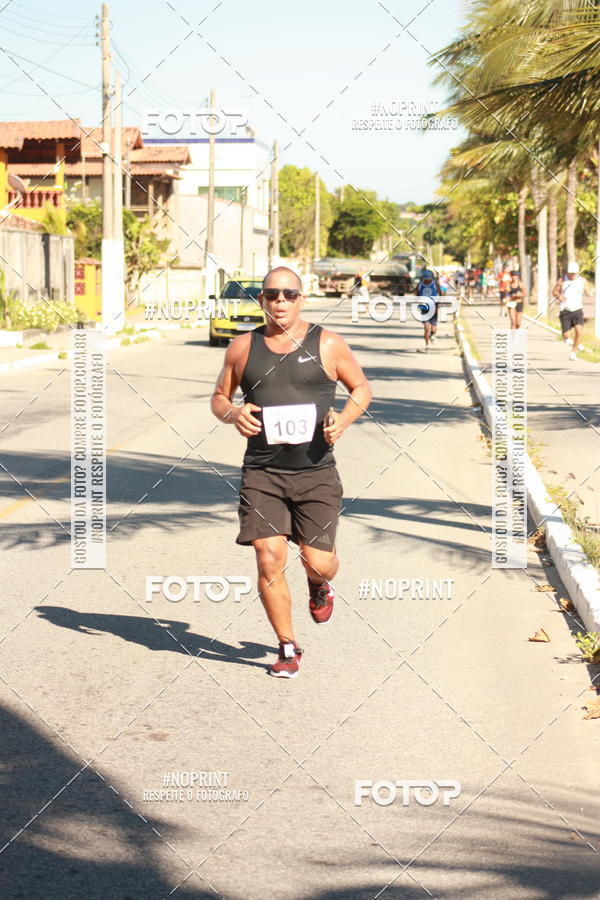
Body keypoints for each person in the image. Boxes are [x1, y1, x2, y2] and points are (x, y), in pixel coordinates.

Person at [210, 266, 372, 678]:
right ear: (262, 301)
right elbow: (219, 396)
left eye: (288, 294)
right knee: (269, 558)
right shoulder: (243, 348)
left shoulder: (329, 344)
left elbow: (362, 389)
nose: (279, 302)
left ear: (302, 299)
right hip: (263, 472)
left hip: (316, 473)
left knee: (318, 563)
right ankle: (287, 646)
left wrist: (344, 419)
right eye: (271, 295)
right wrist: (233, 412)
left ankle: (319, 585)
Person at [553, 261, 587, 360]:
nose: (572, 275)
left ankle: (573, 352)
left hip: (577, 310)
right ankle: (571, 342)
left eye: (574, 273)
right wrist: (559, 296)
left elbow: (587, 290)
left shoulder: (582, 281)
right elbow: (554, 291)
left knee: (579, 332)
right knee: (566, 336)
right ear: (567, 272)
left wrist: (589, 292)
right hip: (566, 310)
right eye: (570, 273)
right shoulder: (562, 280)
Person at [416, 269, 440, 351]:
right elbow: (417, 294)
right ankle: (427, 345)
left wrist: (438, 305)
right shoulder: (420, 285)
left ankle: (433, 335)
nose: (427, 280)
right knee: (426, 328)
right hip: (424, 308)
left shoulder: (435, 284)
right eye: (425, 279)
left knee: (433, 328)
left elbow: (439, 294)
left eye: (428, 279)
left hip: (433, 308)